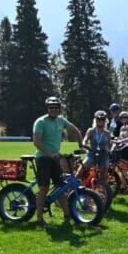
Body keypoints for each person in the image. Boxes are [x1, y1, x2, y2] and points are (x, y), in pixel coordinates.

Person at [32, 96, 83, 228]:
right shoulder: (41, 121)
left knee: (60, 186)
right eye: (51, 107)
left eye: (56, 107)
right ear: (47, 108)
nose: (53, 110)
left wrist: (81, 144)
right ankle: (39, 219)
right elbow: (36, 142)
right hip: (43, 157)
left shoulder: (61, 120)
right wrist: (51, 154)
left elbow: (75, 130)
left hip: (55, 158)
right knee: (44, 188)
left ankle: (67, 215)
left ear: (59, 109)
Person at [78, 110, 111, 183]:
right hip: (92, 153)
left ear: (105, 120)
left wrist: (110, 151)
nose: (101, 121)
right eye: (98, 119)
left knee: (104, 176)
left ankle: (102, 188)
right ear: (95, 120)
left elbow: (109, 146)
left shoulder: (107, 133)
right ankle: (74, 185)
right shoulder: (91, 130)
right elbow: (85, 139)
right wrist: (84, 143)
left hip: (103, 155)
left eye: (103, 119)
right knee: (81, 169)